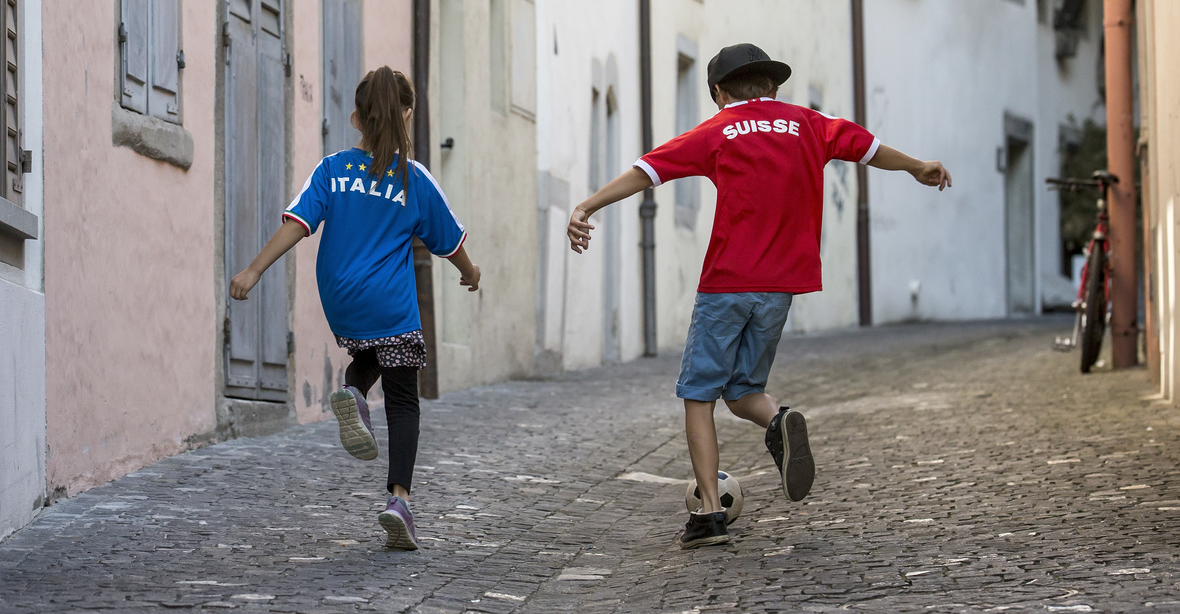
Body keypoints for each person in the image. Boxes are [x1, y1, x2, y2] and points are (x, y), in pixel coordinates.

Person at [567, 43, 951, 549]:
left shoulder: (716, 130)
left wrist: (588, 206)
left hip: (727, 282)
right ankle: (778, 420)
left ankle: (708, 512)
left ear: (719, 93)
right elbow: (869, 147)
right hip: (782, 287)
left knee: (699, 393)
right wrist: (916, 166)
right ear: (772, 88)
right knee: (743, 388)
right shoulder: (811, 124)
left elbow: (648, 171)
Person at [229, 66, 480, 551]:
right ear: (406, 115)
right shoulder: (415, 179)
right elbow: (452, 243)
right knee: (404, 397)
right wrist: (471, 273)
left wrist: (253, 271)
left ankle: (352, 388)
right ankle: (399, 502)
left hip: (341, 299)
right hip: (389, 302)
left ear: (355, 119)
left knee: (372, 348)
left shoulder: (332, 169)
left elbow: (297, 223)